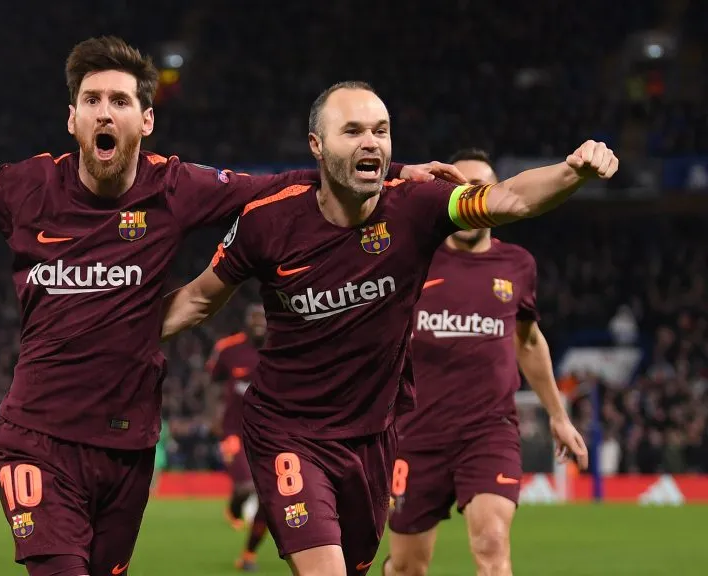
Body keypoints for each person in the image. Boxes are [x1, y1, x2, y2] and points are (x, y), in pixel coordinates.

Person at [0, 37, 455, 576]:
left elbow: (281, 184)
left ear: (146, 119)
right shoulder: (26, 187)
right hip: (37, 437)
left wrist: (387, 174)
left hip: (127, 448)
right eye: (93, 100)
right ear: (73, 118)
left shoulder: (176, 189)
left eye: (121, 101)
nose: (106, 111)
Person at [160, 80, 617, 575]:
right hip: (288, 430)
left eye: (380, 130)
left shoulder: (418, 207)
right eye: (352, 130)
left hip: (373, 437)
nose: (370, 141)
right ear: (316, 145)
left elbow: (509, 199)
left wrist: (572, 171)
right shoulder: (267, 221)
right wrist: (109, 336)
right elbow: (199, 299)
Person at [382, 149, 589, 576]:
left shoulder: (517, 265)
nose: (472, 195)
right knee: (407, 567)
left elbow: (528, 342)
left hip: (488, 431)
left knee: (492, 544)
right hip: (416, 435)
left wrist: (557, 415)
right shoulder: (414, 259)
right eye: (461, 188)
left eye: (482, 188)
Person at [206, 303, 269, 571]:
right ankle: (234, 508)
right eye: (254, 317)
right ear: (247, 321)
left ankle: (248, 556)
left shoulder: (282, 348)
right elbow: (212, 382)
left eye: (263, 318)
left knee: (269, 500)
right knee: (245, 486)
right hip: (234, 431)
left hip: (269, 434)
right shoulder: (229, 348)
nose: (259, 322)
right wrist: (213, 416)